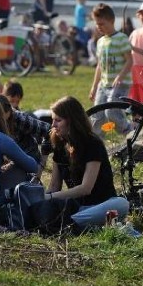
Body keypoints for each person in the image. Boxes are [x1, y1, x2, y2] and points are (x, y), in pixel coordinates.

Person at [45, 96, 130, 229]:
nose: (53, 125)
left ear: (71, 121)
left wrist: (51, 197)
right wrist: (42, 199)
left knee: (121, 204)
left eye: (58, 120)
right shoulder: (60, 145)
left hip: (101, 205)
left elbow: (86, 188)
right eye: (53, 120)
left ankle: (72, 223)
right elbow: (54, 185)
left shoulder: (92, 144)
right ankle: (83, 224)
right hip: (78, 207)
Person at [89, 3, 133, 131]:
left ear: (111, 21)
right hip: (103, 85)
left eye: (102, 24)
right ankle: (97, 145)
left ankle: (129, 131)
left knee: (111, 113)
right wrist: (94, 86)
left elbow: (129, 61)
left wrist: (120, 76)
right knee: (97, 115)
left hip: (120, 84)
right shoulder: (100, 41)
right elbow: (99, 66)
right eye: (97, 24)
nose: (99, 27)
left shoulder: (121, 38)